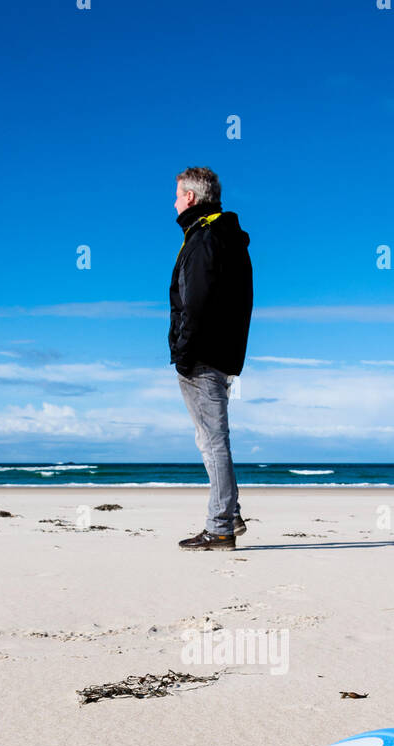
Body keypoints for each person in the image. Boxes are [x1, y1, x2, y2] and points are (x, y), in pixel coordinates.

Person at [169, 167, 253, 550]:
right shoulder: (225, 236)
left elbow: (196, 303)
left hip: (203, 355)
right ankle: (228, 513)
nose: (173, 202)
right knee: (214, 438)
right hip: (221, 353)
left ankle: (220, 525)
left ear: (190, 197)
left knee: (212, 441)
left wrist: (183, 352)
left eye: (176, 195)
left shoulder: (205, 238)